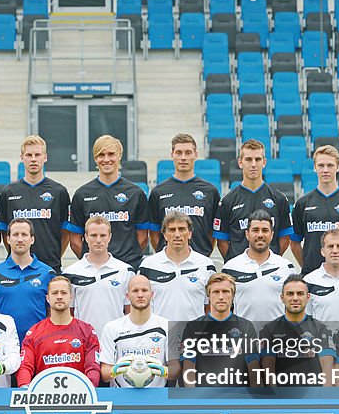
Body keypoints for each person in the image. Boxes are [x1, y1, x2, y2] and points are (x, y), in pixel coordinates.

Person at [67, 134, 151, 270]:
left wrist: (124, 265)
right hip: (93, 270)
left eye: (111, 154)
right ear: (95, 158)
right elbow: (75, 241)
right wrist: (94, 263)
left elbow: (142, 238)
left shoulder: (136, 193)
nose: (106, 159)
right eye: (101, 155)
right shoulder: (82, 194)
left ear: (119, 156)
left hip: (127, 268)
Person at [0, 135, 70, 271]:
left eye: (37, 154)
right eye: (29, 155)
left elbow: (65, 234)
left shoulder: (59, 192)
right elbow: (4, 233)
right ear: (22, 158)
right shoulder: (8, 193)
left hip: (50, 266)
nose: (33, 159)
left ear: (45, 157)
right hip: (17, 267)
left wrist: (54, 257)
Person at [213, 139, 293, 259]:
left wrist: (269, 261)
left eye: (258, 159)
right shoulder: (227, 201)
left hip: (270, 270)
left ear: (264, 162)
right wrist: (237, 264)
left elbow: (285, 238)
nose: (253, 164)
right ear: (240, 163)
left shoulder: (279, 199)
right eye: (248, 159)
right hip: (239, 272)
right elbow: (222, 242)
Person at [17, 276, 101, 388]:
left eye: (64, 293)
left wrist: (91, 387)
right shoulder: (34, 332)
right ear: (47, 298)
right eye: (55, 293)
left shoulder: (87, 330)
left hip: (79, 396)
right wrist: (24, 387)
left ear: (71, 297)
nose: (59, 297)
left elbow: (93, 366)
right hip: (44, 396)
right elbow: (25, 366)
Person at [290, 145, 339, 274]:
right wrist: (307, 268)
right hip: (311, 276)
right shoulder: (302, 203)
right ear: (314, 167)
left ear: (338, 167)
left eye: (330, 165)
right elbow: (294, 243)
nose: (325, 170)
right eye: (321, 165)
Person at [180, 273, 259, 387]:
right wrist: (193, 401)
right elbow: (188, 369)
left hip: (237, 398)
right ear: (208, 296)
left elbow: (254, 370)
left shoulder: (246, 326)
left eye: (226, 291)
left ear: (233, 295)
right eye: (216, 292)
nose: (221, 297)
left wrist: (255, 402)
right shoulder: (193, 327)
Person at [147, 133, 220, 257]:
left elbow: (212, 232)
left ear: (195, 155)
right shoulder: (158, 192)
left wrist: (203, 253)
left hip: (199, 261)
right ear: (172, 155)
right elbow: (154, 233)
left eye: (188, 152)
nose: (183, 157)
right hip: (167, 262)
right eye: (179, 153)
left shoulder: (210, 191)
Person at [256, 275, 336, 387]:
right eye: (290, 294)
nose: (295, 298)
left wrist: (323, 400)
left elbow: (327, 368)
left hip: (313, 398)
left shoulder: (321, 329)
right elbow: (268, 369)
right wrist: (275, 401)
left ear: (308, 297)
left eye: (300, 293)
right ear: (282, 298)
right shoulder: (268, 330)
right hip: (282, 398)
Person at [99, 275, 177, 387]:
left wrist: (163, 371)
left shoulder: (167, 326)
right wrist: (115, 370)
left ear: (152, 294)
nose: (140, 295)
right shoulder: (112, 328)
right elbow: (104, 374)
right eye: (135, 291)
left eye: (144, 290)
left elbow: (176, 370)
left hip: (157, 397)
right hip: (122, 396)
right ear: (127, 296)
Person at [62, 216, 133, 336]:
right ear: (85, 237)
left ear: (109, 237)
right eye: (94, 235)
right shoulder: (71, 273)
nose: (98, 240)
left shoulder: (125, 271)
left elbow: (130, 312)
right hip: (84, 340)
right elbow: (68, 313)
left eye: (103, 235)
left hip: (116, 339)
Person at [221, 210, 297, 323]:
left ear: (271, 235)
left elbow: (295, 307)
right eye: (255, 230)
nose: (260, 235)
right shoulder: (230, 268)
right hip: (244, 337)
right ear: (247, 234)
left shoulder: (286, 267)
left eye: (265, 230)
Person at [138, 211, 216, 321]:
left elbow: (211, 306)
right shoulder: (148, 265)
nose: (177, 235)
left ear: (190, 233)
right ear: (164, 235)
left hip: (194, 335)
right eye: (172, 230)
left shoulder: (206, 265)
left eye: (182, 229)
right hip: (160, 335)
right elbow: (140, 306)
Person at [0, 218, 55, 340]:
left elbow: (52, 313)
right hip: (5, 343)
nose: (20, 239)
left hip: (38, 342)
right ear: (8, 239)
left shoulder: (48, 273)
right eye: (15, 235)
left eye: (24, 235)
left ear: (32, 239)